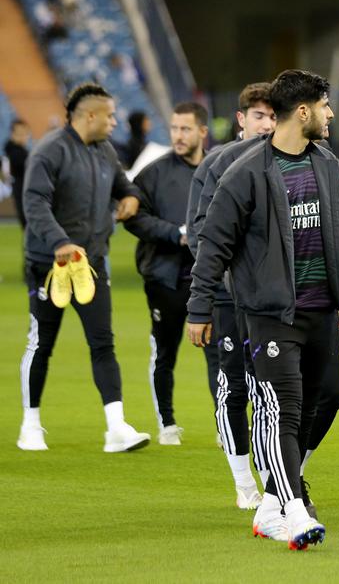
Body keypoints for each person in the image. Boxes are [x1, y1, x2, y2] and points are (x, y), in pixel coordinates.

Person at [187, 69, 339, 550]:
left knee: (316, 404)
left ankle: (269, 507)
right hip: (270, 313)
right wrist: (199, 309)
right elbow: (212, 245)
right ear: (303, 111)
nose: (331, 114)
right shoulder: (245, 173)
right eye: (325, 105)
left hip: (322, 311)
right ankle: (295, 510)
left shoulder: (326, 164)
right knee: (283, 409)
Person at [18, 82, 149, 453]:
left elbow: (126, 185)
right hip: (50, 264)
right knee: (41, 343)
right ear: (89, 116)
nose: (114, 121)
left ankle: (116, 428)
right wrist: (59, 242)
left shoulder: (105, 150)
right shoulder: (50, 152)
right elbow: (35, 203)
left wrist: (131, 198)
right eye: (109, 115)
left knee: (103, 342)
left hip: (90, 263)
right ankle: (30, 425)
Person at [186, 82, 275, 510]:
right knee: (235, 385)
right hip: (228, 298)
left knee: (276, 390)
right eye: (259, 116)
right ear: (241, 120)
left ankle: (277, 479)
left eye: (273, 116)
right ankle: (244, 484)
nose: (267, 124)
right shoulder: (217, 163)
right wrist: (217, 288)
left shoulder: (290, 162)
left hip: (274, 299)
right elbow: (201, 234)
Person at [124, 102, 214, 446]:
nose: (178, 135)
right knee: (165, 351)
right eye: (174, 128)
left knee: (218, 353)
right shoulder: (153, 173)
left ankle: (225, 425)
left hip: (209, 280)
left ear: (202, 132)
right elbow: (133, 217)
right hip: (164, 277)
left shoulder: (218, 169)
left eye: (186, 129)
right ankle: (167, 423)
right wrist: (175, 233)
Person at [4, 119, 30, 228]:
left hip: (24, 192)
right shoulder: (16, 153)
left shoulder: (21, 152)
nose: (22, 137)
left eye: (25, 133)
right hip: (23, 193)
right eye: (19, 134)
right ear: (12, 135)